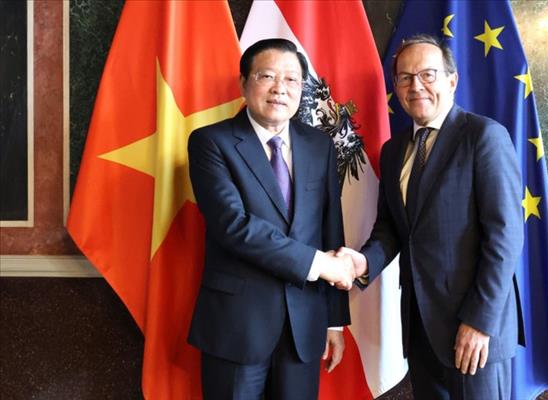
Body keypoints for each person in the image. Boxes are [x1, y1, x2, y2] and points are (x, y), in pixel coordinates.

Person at [338, 34, 525, 399]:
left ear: (452, 80)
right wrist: (362, 262)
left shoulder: (483, 136)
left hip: (474, 331)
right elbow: (391, 228)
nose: (416, 86)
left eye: (427, 74)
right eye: (405, 78)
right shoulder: (393, 151)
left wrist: (479, 321)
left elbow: (505, 236)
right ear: (396, 87)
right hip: (420, 329)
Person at [187, 38, 354, 400]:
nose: (280, 88)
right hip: (237, 325)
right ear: (244, 83)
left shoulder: (319, 145)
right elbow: (234, 226)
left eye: (292, 79)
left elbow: (330, 228)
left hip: (304, 325)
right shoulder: (210, 142)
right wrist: (319, 264)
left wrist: (334, 321)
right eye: (267, 76)